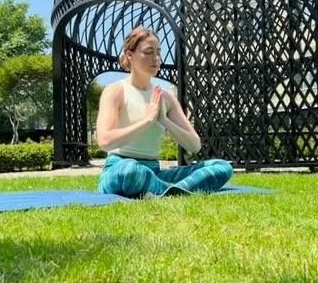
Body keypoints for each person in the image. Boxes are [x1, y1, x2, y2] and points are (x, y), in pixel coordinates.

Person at [95, 27, 233, 198]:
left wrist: (164, 120)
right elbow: (105, 141)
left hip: (153, 172)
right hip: (119, 168)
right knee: (130, 171)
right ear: (129, 55)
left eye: (158, 53)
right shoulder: (115, 91)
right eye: (148, 52)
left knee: (221, 167)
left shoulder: (165, 97)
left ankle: (161, 191)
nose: (156, 59)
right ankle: (174, 191)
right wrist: (147, 120)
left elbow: (194, 145)